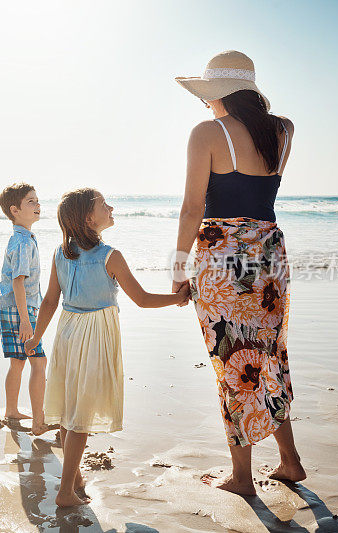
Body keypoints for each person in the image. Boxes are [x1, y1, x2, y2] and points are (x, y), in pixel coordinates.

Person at [173, 50, 306, 496]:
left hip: (222, 256)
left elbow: (194, 208)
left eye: (208, 95)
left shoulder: (207, 133)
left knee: (232, 360)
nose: (205, 104)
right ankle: (290, 461)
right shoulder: (283, 131)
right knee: (268, 354)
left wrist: (177, 269)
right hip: (268, 253)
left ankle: (242, 477)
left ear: (222, 93)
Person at [25, 188, 189, 507]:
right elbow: (141, 299)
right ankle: (65, 492)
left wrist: (36, 336)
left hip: (68, 332)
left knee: (70, 404)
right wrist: (180, 297)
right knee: (81, 418)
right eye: (104, 205)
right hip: (96, 334)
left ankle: (76, 477)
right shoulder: (110, 255)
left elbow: (49, 301)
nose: (110, 207)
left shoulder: (62, 254)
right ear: (89, 218)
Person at [0, 182, 49, 435]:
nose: (38, 205)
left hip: (12, 307)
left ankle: (12, 410)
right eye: (31, 201)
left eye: (37, 200)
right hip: (20, 309)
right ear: (15, 210)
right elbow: (19, 281)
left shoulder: (22, 238)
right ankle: (39, 420)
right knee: (39, 361)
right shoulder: (23, 243)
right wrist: (26, 320)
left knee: (18, 361)